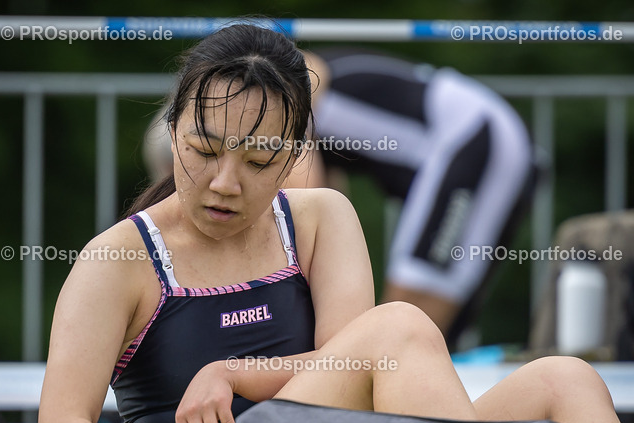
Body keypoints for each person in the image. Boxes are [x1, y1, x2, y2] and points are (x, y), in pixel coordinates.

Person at [38, 23, 634, 423]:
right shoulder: (116, 257)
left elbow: (350, 373)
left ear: (293, 158)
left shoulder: (320, 217)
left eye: (258, 161)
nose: (225, 182)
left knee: (565, 378)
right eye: (204, 151)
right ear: (173, 131)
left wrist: (232, 373)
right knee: (399, 326)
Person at [142, 47, 536, 345]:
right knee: (432, 318)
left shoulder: (284, 90)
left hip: (471, 139)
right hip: (472, 135)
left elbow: (304, 205)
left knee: (412, 312)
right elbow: (326, 204)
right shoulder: (283, 98)